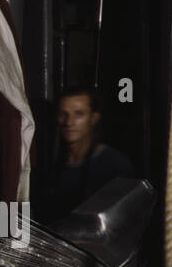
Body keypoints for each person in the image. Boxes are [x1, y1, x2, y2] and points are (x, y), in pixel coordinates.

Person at [35, 85, 136, 222]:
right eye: (63, 114)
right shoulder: (50, 167)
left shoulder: (114, 164)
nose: (69, 122)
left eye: (79, 114)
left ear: (93, 118)